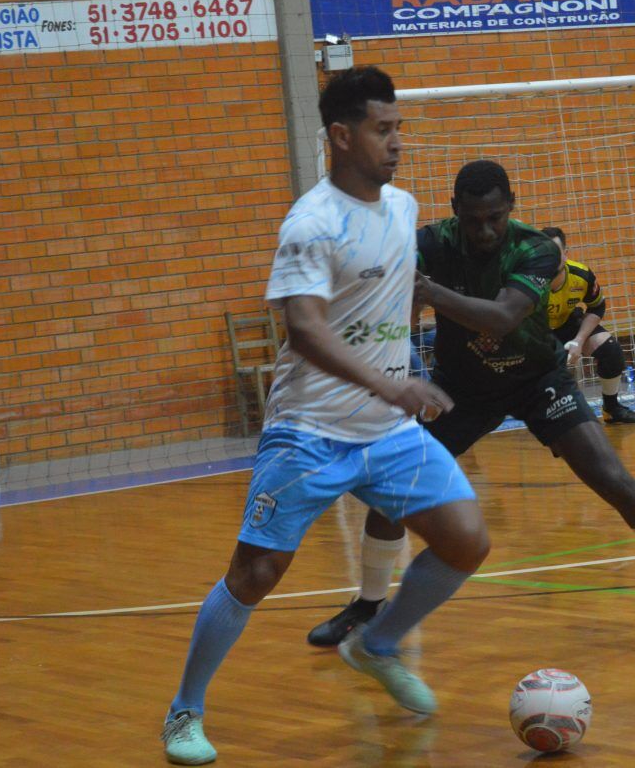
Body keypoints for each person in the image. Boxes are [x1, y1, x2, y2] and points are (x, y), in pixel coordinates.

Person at [160, 67, 490, 765]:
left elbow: (399, 298)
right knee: (254, 575)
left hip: (388, 430)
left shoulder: (403, 208)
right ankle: (183, 712)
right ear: (341, 136)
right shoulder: (311, 223)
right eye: (382, 129)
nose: (397, 142)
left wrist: (408, 371)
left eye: (399, 128)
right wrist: (387, 382)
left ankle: (375, 644)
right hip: (309, 433)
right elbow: (305, 329)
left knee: (466, 539)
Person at [306, 160, 635, 649]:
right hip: (461, 388)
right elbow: (382, 285)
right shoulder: (431, 243)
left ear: (509, 208)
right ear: (455, 211)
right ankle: (366, 607)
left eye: (494, 217)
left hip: (538, 379)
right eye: (473, 219)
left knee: (611, 477)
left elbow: (503, 317)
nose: (485, 229)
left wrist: (427, 291)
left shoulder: (533, 247)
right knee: (391, 489)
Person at [541, 226, 635, 424]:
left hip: (567, 322)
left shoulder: (581, 275)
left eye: (556, 252)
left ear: (565, 254)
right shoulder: (528, 279)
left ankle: (611, 408)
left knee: (610, 349)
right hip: (536, 329)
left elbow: (597, 307)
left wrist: (579, 340)